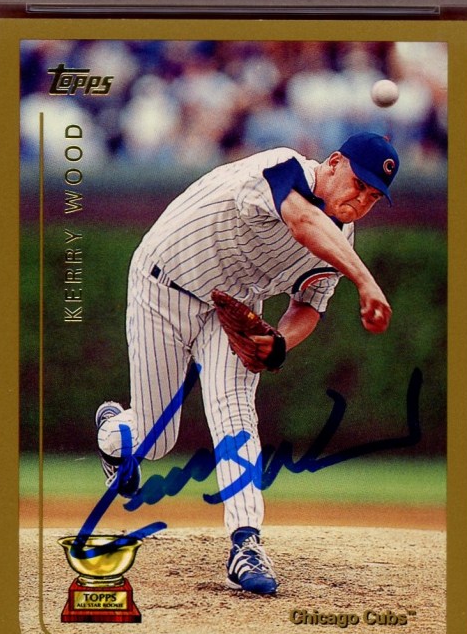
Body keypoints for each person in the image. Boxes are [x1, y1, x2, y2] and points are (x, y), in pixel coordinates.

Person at [95, 132, 399, 596]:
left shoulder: (341, 240)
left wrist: (280, 344)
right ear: (334, 162)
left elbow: (308, 305)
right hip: (162, 287)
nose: (361, 200)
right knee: (155, 440)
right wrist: (366, 280)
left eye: (374, 196)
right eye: (359, 183)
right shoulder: (281, 167)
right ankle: (114, 433)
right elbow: (302, 221)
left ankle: (246, 543)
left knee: (234, 411)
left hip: (231, 310)